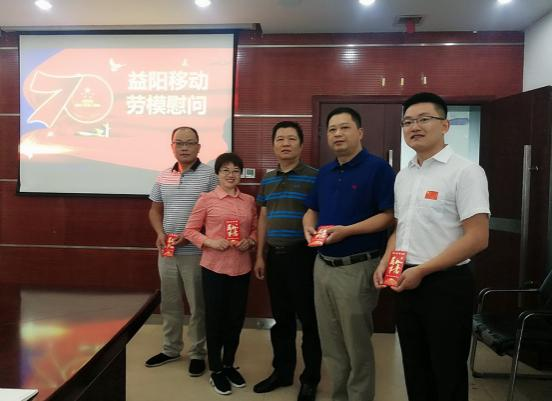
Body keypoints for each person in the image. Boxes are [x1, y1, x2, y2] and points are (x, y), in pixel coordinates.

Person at [373, 92, 489, 401]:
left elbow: (478, 237)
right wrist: (386, 261)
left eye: (424, 119)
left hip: (446, 284)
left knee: (447, 371)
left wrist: (423, 270)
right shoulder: (404, 176)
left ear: (445, 125)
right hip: (406, 280)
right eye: (408, 122)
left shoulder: (466, 172)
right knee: (415, 368)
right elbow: (402, 228)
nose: (414, 127)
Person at [303, 107, 395, 401]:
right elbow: (312, 209)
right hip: (322, 266)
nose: (338, 134)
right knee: (330, 342)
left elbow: (389, 217)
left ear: (360, 132)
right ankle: (339, 396)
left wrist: (348, 231)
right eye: (332, 129)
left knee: (357, 344)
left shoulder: (378, 169)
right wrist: (307, 225)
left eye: (344, 127)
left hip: (357, 268)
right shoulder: (325, 172)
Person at [253, 121, 322, 401]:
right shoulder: (268, 179)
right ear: (273, 145)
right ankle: (282, 372)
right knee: (281, 320)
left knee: (309, 320)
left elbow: (321, 213)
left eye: (291, 139)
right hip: (275, 258)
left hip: (303, 257)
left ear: (301, 145)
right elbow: (263, 217)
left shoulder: (315, 177)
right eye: (280, 139)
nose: (285, 143)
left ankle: (310, 379)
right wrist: (260, 255)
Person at [145, 126, 217, 377]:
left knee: (198, 305)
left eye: (190, 142)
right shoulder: (163, 175)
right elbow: (154, 210)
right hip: (167, 251)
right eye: (179, 143)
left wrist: (190, 237)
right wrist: (159, 233)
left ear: (199, 146)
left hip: (196, 253)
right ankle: (171, 348)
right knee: (170, 303)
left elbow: (216, 214)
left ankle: (197, 353)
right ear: (172, 146)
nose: (184, 147)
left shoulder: (210, 176)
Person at [184, 152, 258, 396]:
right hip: (214, 268)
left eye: (236, 170)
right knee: (215, 319)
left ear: (241, 174)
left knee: (235, 319)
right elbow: (190, 230)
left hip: (241, 268)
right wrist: (210, 242)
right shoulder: (206, 199)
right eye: (225, 170)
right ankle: (216, 369)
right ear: (217, 173)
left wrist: (250, 240)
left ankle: (229, 364)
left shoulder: (248, 201)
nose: (231, 175)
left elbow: (256, 229)